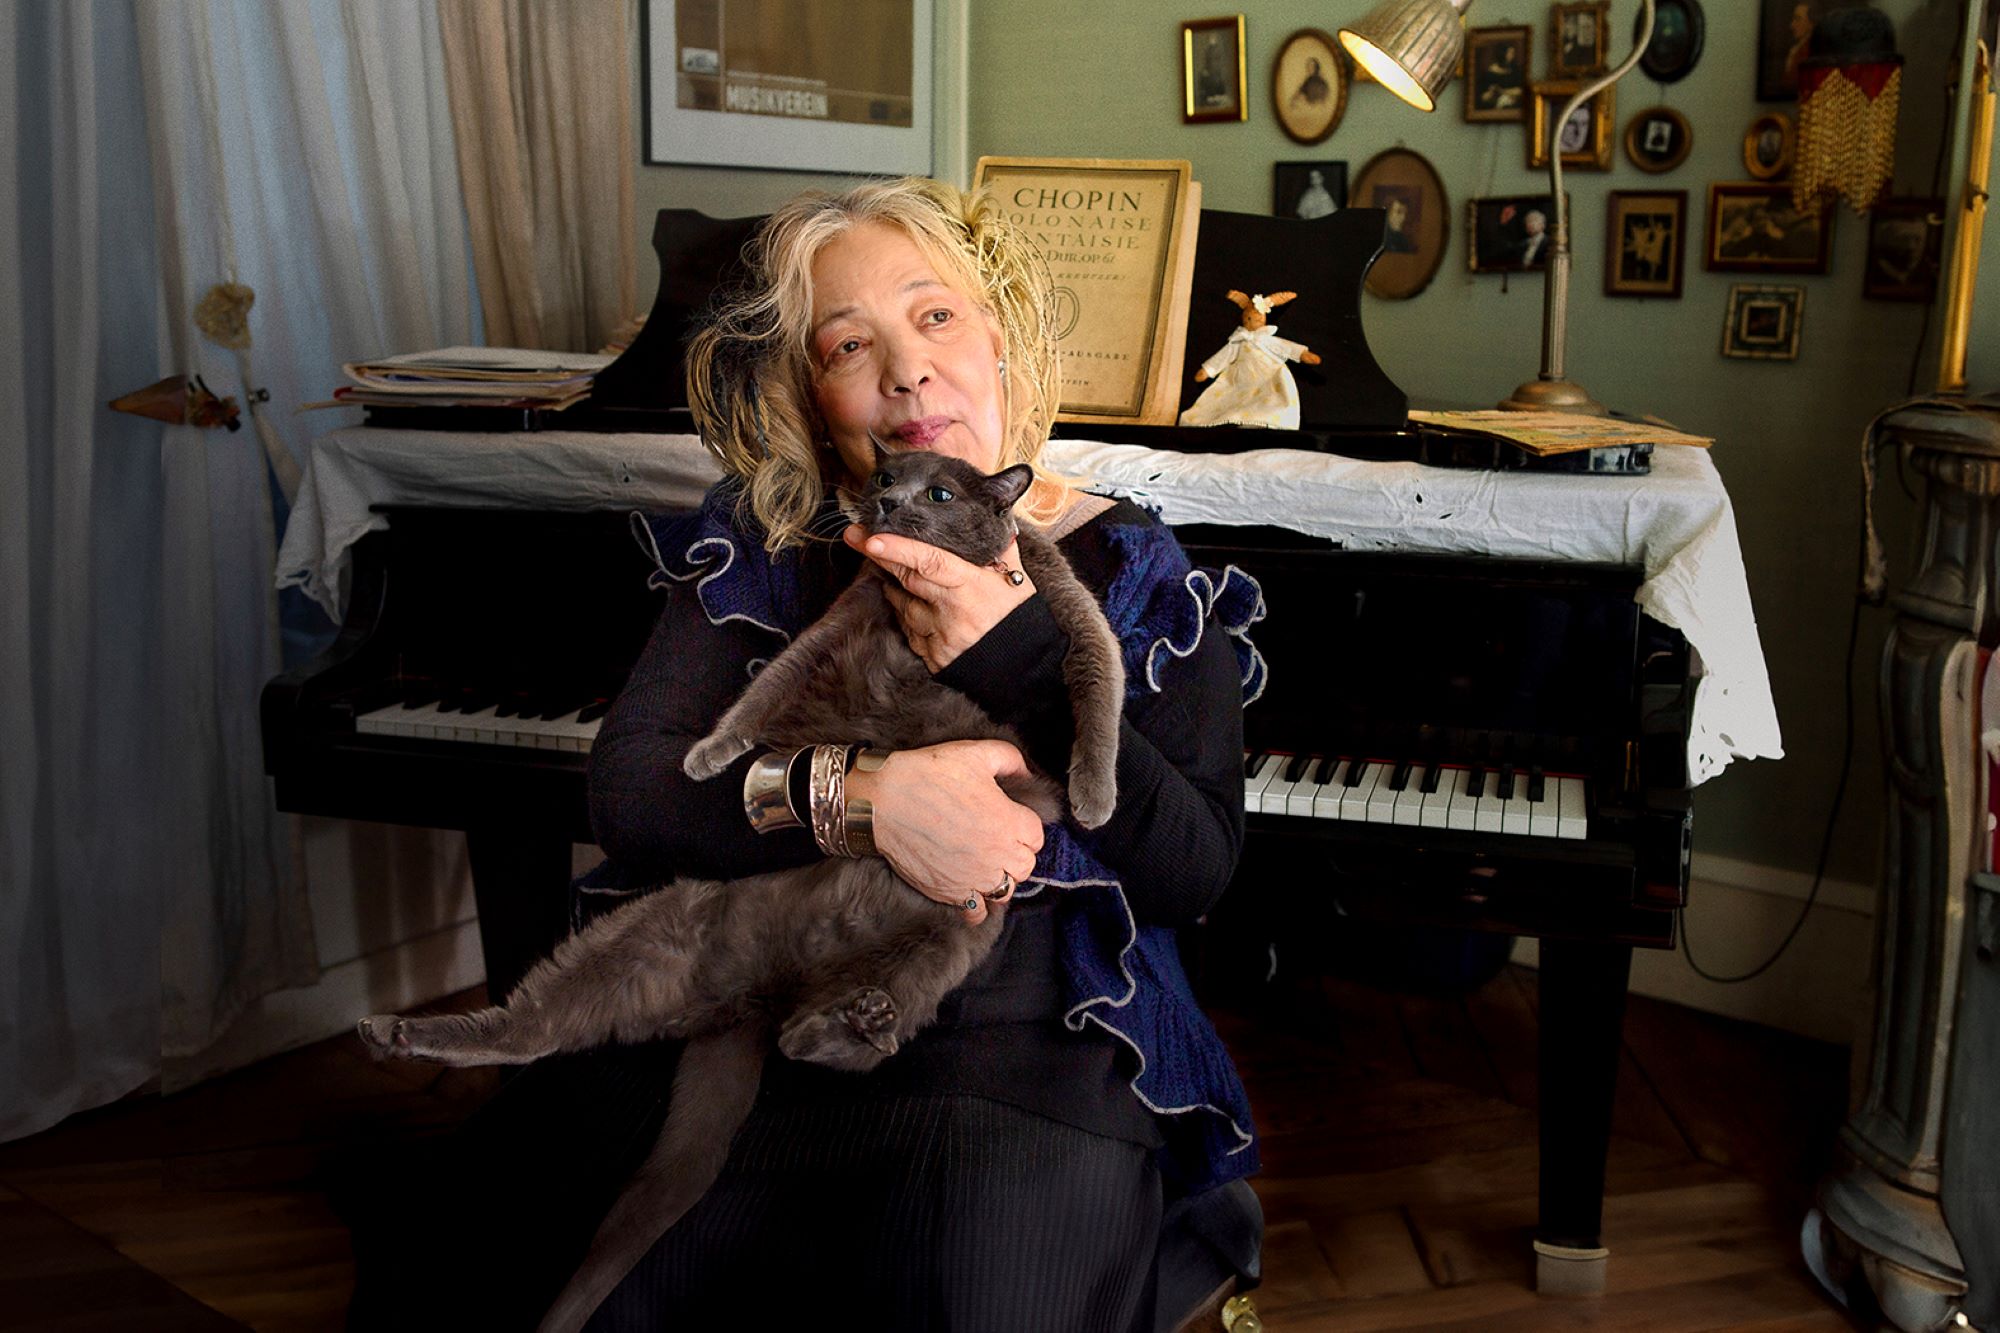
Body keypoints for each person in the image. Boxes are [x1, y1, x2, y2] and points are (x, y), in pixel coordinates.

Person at [347, 177, 1263, 1332]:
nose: (906, 370)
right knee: (517, 1262)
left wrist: (1017, 649)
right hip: (754, 981)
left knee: (951, 1284)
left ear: (999, 340)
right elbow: (632, 790)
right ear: (814, 396)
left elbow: (1194, 867)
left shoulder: (1130, 563)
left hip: (1025, 1032)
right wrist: (861, 798)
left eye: (935, 316)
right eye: (848, 344)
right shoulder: (765, 536)